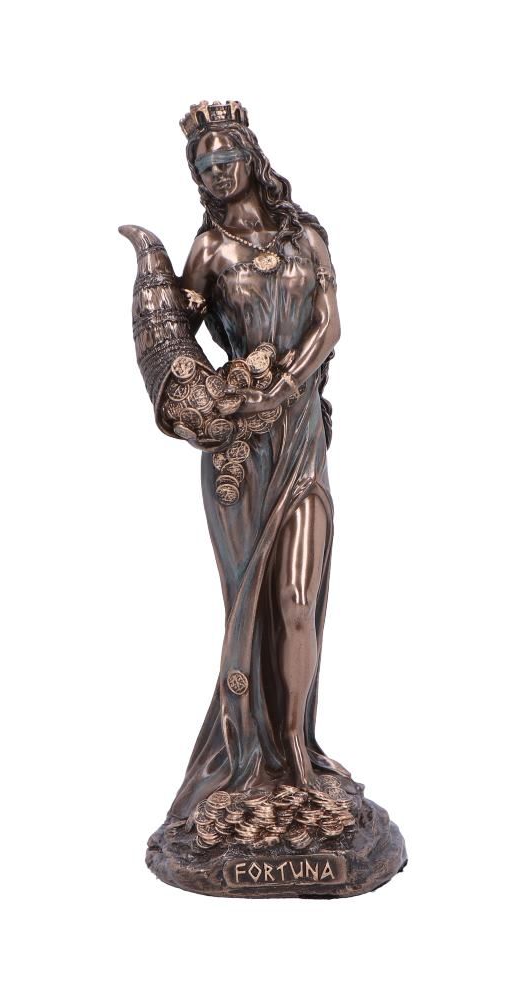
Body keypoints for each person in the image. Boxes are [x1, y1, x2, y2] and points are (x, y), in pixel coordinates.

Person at [166, 102, 354, 821]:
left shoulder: (305, 235)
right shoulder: (208, 251)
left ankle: (299, 751)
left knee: (297, 603)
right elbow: (174, 337)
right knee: (247, 604)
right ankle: (250, 757)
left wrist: (288, 382)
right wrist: (205, 393)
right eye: (204, 166)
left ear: (251, 156)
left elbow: (330, 323)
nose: (217, 173)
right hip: (240, 446)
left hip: (299, 433)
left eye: (226, 159)